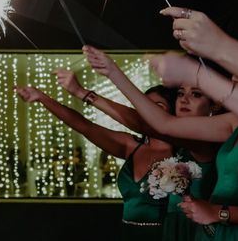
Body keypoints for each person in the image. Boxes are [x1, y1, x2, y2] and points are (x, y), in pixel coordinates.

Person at [88, 47, 238, 239]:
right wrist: (113, 72)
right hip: (218, 231)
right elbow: (163, 124)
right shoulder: (236, 121)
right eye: (233, 75)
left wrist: (219, 212)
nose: (233, 80)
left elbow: (148, 126)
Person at [61, 49, 222, 240]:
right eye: (180, 93)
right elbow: (88, 127)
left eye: (196, 94)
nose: (184, 99)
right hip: (168, 230)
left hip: (191, 232)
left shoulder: (203, 141)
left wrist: (85, 91)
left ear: (215, 105)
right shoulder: (179, 147)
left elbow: (143, 124)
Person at [16, 79, 174, 240]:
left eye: (158, 106)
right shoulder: (132, 146)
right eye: (144, 106)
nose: (149, 112)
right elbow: (83, 126)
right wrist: (42, 97)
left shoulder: (184, 153)